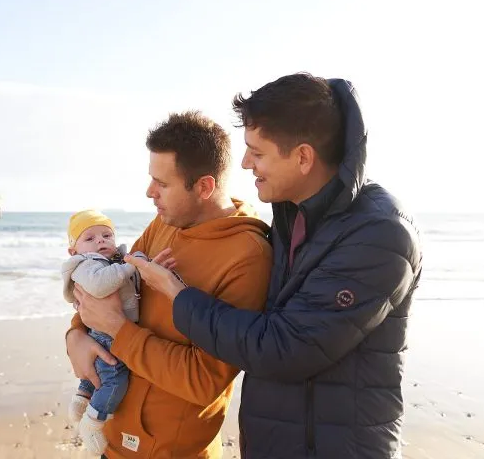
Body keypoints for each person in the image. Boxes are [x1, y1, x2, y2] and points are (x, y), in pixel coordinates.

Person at [125, 74, 423, 458]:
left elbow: (284, 349)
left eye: (257, 153)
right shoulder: (291, 215)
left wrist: (176, 293)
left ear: (303, 157)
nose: (246, 163)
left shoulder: (380, 235)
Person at [66, 111, 273, 458]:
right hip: (113, 440)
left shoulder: (248, 257)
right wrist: (75, 334)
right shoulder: (164, 223)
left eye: (162, 184)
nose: (150, 193)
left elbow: (202, 380)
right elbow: (107, 285)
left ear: (204, 187)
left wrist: (117, 329)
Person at [60, 209, 169, 454]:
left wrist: (148, 268)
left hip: (110, 332)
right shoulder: (84, 265)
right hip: (105, 336)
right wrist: (132, 266)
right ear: (73, 250)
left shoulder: (115, 261)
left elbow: (135, 286)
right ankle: (94, 421)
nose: (101, 241)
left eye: (106, 235)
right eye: (90, 238)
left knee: (99, 371)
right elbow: (100, 286)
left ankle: (82, 397)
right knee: (114, 379)